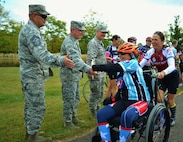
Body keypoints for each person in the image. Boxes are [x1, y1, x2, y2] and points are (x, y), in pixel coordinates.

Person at [18, 4, 75, 142]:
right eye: (43, 16)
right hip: (32, 77)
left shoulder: (32, 30)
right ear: (33, 15)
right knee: (37, 106)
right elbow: (42, 55)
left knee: (30, 105)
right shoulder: (31, 32)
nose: (46, 19)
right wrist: (61, 60)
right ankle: (33, 136)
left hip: (31, 76)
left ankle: (30, 132)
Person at [92, 42, 151, 141]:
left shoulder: (133, 63)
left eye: (123, 54)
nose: (120, 56)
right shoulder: (121, 70)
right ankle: (107, 140)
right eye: (119, 54)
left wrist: (95, 67)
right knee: (101, 114)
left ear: (131, 54)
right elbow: (119, 87)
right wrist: (112, 99)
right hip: (125, 101)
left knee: (126, 115)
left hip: (140, 101)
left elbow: (114, 67)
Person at [60, 21, 98, 128]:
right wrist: (88, 69)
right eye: (80, 30)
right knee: (69, 98)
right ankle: (67, 122)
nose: (82, 33)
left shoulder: (74, 41)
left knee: (75, 98)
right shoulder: (69, 42)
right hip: (68, 76)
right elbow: (75, 60)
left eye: (83, 31)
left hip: (74, 75)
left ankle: (73, 117)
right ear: (73, 30)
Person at [140, 31, 179, 127]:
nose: (153, 42)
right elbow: (140, 64)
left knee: (170, 101)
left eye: (156, 40)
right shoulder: (150, 52)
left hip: (172, 76)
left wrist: (163, 72)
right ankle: (162, 118)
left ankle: (173, 116)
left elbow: (172, 66)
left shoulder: (168, 50)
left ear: (162, 41)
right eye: (152, 39)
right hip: (161, 76)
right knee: (158, 99)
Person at [86, 24, 108, 117]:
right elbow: (91, 58)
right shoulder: (93, 43)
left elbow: (99, 57)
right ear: (97, 31)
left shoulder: (100, 43)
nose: (104, 34)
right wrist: (92, 72)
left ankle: (97, 109)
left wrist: (107, 60)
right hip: (95, 72)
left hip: (101, 72)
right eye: (102, 32)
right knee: (95, 93)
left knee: (100, 92)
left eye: (105, 32)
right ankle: (93, 112)